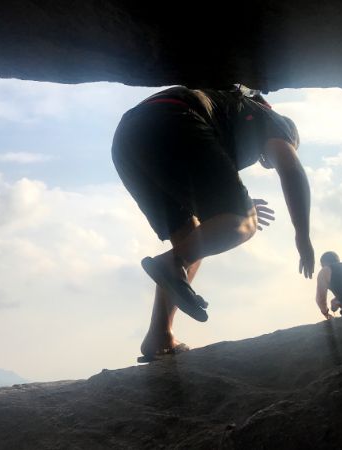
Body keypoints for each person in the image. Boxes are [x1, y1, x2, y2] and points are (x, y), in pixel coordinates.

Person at [111, 85, 315, 362]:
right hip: (173, 117)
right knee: (244, 222)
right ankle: (171, 263)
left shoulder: (230, 115)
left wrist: (230, 210)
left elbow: (203, 177)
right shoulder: (274, 121)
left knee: (191, 237)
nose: (264, 161)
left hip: (128, 139)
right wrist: (302, 236)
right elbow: (291, 169)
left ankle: (160, 335)